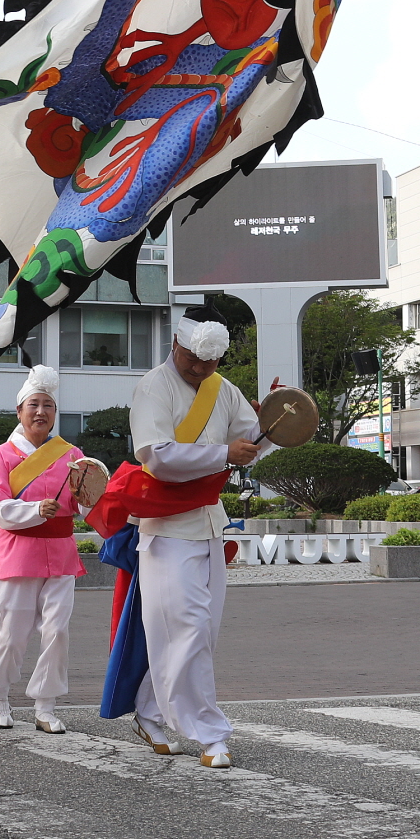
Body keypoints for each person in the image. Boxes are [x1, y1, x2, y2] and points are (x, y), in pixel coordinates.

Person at [124, 314, 267, 767]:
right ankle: (209, 731)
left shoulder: (223, 388)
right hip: (166, 529)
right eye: (193, 360)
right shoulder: (153, 386)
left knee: (197, 631)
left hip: (208, 524)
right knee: (186, 626)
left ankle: (148, 707)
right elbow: (157, 457)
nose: (201, 370)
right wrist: (225, 453)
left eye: (211, 362)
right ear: (176, 344)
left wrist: (272, 425)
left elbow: (251, 438)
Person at [0, 366, 102, 732]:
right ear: (19, 410)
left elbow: (86, 501)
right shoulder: (1, 455)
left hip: (61, 552)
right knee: (10, 630)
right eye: (34, 404)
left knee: (58, 630)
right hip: (19, 550)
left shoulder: (71, 453)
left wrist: (92, 498)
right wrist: (34, 510)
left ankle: (45, 705)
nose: (41, 412)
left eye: (48, 405)